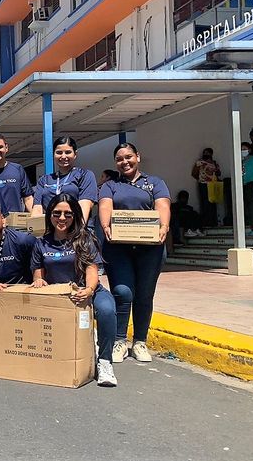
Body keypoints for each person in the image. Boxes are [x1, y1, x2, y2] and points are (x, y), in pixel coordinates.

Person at [30, 194, 118, 387]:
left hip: (87, 290)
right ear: (49, 215)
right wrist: (39, 282)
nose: (62, 218)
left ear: (75, 216)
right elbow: (38, 274)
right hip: (58, 295)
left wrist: (88, 290)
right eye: (57, 213)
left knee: (107, 310)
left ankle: (104, 362)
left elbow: (91, 269)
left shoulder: (85, 239)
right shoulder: (41, 243)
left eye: (68, 214)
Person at [98, 142, 171, 364]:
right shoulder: (110, 185)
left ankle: (140, 341)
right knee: (122, 292)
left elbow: (163, 206)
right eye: (120, 159)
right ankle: (119, 341)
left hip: (150, 248)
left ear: (138, 157)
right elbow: (104, 206)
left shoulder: (155, 183)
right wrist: (106, 225)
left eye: (128, 157)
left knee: (144, 294)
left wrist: (164, 227)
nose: (125, 162)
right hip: (117, 247)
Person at [31, 137, 98, 223]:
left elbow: (85, 206)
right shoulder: (44, 180)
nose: (63, 156)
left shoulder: (85, 175)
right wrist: (35, 230)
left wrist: (76, 231)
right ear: (53, 154)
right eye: (59, 152)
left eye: (68, 152)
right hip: (51, 231)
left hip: (77, 229)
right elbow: (37, 208)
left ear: (75, 154)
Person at [0, 134, 33, 214]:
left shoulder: (17, 169)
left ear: (6, 148)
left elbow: (28, 198)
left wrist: (35, 219)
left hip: (15, 224)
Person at [190, 147, 221, 228]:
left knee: (213, 203)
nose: (206, 154)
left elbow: (219, 173)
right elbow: (194, 173)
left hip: (213, 185)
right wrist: (201, 179)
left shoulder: (214, 163)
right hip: (203, 184)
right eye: (205, 153)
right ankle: (206, 222)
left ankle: (214, 222)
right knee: (205, 203)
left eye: (208, 153)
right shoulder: (199, 162)